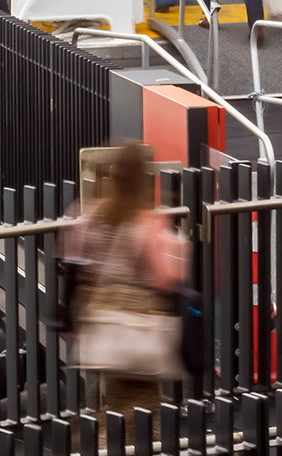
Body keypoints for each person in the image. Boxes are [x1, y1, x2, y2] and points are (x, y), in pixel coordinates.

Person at [61, 142, 188, 440]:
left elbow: (72, 265)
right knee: (145, 407)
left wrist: (70, 313)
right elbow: (165, 278)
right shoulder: (149, 222)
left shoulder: (88, 216)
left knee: (115, 395)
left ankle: (100, 436)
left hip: (101, 320)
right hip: (140, 325)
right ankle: (113, 441)